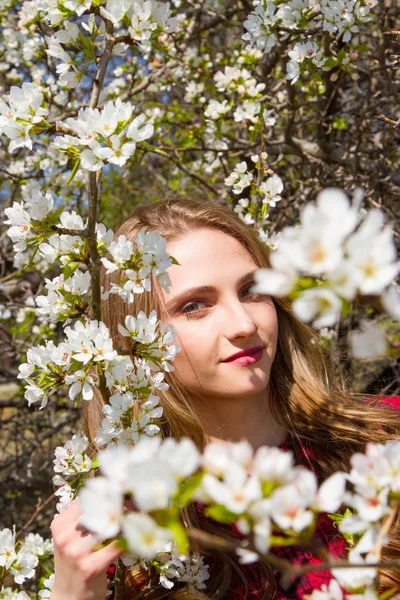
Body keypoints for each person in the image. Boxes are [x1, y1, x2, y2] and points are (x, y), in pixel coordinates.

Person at [50, 197, 400, 600]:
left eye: (251, 290)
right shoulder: (135, 546)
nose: (243, 323)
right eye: (195, 306)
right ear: (135, 345)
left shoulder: (382, 438)